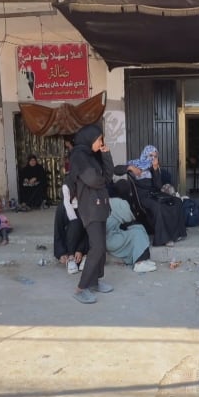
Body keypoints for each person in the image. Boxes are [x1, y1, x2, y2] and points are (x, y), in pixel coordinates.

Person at [70, 124, 115, 304]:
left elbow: (108, 175)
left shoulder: (93, 156)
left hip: (101, 205)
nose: (101, 142)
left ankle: (95, 281)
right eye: (99, 139)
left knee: (101, 247)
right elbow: (93, 179)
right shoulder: (79, 156)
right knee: (96, 248)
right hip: (90, 208)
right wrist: (103, 179)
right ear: (89, 139)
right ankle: (81, 288)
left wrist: (106, 154)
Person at [114, 145, 187, 247]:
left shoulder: (153, 167)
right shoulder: (134, 164)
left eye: (155, 156)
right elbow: (116, 170)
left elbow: (158, 186)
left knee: (177, 201)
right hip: (142, 196)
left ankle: (177, 234)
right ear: (145, 154)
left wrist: (156, 169)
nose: (152, 158)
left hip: (154, 194)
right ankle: (163, 239)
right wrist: (130, 168)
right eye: (150, 155)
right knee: (158, 206)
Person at [107, 197, 157, 273]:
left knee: (138, 228)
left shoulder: (108, 206)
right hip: (110, 240)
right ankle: (138, 264)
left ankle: (143, 260)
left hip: (110, 238)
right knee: (136, 233)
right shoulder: (117, 205)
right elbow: (128, 218)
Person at [53, 183, 88, 275]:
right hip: (69, 241)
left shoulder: (86, 205)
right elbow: (58, 232)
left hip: (84, 241)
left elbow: (89, 231)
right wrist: (61, 253)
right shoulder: (62, 208)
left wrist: (80, 249)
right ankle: (71, 257)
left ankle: (85, 255)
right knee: (74, 224)